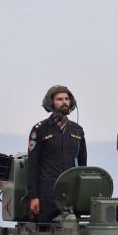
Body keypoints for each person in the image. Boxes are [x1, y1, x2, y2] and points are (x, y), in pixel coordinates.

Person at [27, 85, 87, 223]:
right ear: (51, 102)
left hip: (71, 196)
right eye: (59, 99)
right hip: (47, 195)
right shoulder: (40, 129)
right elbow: (32, 165)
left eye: (67, 99)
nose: (64, 102)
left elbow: (83, 166)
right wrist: (33, 196)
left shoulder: (77, 130)